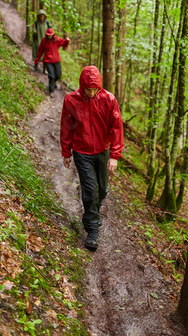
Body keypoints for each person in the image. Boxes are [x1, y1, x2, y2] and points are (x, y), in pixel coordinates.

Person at [60, 66, 124, 250]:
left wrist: (114, 155)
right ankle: (92, 230)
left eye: (93, 89)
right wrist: (66, 151)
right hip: (82, 152)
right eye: (87, 89)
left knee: (101, 189)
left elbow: (117, 127)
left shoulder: (109, 99)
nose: (90, 92)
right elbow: (66, 126)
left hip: (102, 151)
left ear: (99, 86)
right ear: (81, 86)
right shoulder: (71, 100)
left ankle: (94, 207)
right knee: (91, 189)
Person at [34, 28, 70, 98]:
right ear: (46, 35)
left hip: (57, 60)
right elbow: (40, 51)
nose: (49, 36)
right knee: (51, 75)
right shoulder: (44, 41)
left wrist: (67, 41)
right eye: (48, 35)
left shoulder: (57, 39)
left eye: (50, 35)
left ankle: (53, 83)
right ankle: (51, 91)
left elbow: (64, 44)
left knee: (58, 74)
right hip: (48, 61)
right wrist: (37, 60)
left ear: (53, 35)